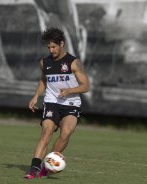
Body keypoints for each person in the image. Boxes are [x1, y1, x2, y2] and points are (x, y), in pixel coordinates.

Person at [24, 27, 89, 179]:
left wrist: (70, 90)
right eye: (49, 47)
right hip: (52, 102)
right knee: (46, 132)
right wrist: (35, 96)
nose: (51, 50)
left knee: (66, 133)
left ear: (62, 44)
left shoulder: (74, 63)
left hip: (71, 104)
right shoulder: (44, 63)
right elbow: (43, 80)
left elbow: (86, 86)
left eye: (54, 47)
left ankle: (47, 167)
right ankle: (33, 169)